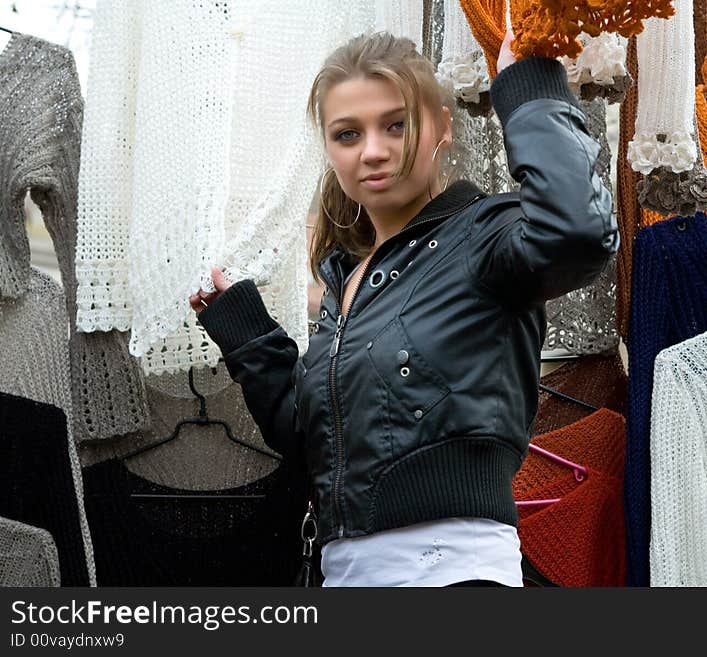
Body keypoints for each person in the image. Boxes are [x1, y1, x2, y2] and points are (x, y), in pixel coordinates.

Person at [189, 30, 617, 587]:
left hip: (454, 577)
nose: (372, 150)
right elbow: (312, 446)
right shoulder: (345, 282)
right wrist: (248, 335)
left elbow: (578, 233)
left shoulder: (484, 237)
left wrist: (528, 89)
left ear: (441, 126)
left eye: (396, 125)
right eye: (347, 134)